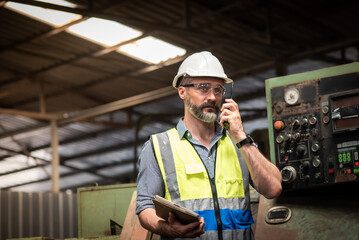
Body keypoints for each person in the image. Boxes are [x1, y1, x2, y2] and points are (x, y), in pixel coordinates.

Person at [136, 51, 282, 239]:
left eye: (218, 90)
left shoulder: (240, 143)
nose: (213, 97)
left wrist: (240, 136)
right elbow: (144, 207)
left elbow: (273, 189)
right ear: (182, 91)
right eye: (203, 88)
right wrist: (169, 230)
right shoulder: (158, 147)